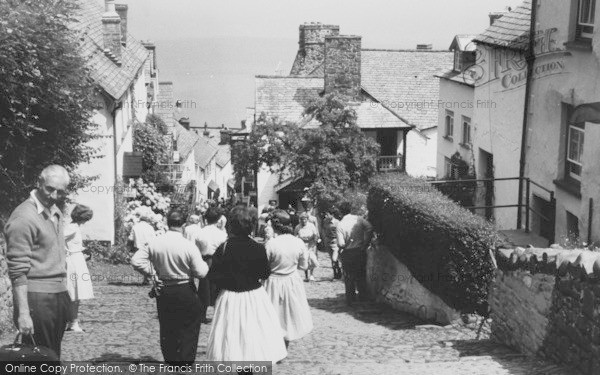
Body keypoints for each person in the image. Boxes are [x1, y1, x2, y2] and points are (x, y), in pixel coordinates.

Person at [206, 206, 287, 366]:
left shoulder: (224, 248)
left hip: (230, 296)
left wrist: (227, 282)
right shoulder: (257, 247)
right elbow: (264, 273)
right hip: (253, 296)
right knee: (253, 333)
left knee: (231, 334)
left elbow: (213, 274)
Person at [5, 165, 71, 358]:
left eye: (60, 191)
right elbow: (18, 271)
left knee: (51, 356)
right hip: (38, 299)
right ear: (39, 183)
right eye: (49, 188)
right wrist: (24, 314)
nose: (53, 195)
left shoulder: (54, 211)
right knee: (40, 359)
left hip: (58, 295)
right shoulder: (24, 217)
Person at [131, 210, 209, 365]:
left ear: (167, 222)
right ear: (184, 224)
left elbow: (136, 260)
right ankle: (185, 361)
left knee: (168, 325)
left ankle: (171, 360)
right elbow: (201, 272)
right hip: (185, 286)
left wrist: (153, 273)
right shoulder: (188, 245)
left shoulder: (155, 242)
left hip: (164, 288)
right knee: (189, 325)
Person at [264, 209, 313, 349]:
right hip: (292, 280)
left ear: (274, 226)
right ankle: (285, 342)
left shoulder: (271, 244)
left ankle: (276, 344)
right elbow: (304, 266)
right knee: (289, 312)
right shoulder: (298, 242)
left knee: (274, 312)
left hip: (273, 282)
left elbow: (264, 267)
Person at [191, 207, 227, 323]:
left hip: (204, 259)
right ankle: (219, 314)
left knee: (204, 287)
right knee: (218, 287)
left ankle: (202, 314)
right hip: (218, 261)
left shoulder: (200, 232)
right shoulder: (221, 234)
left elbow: (195, 248)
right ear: (218, 219)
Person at [64, 204, 95, 332]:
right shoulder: (71, 228)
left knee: (76, 294)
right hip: (73, 262)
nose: (86, 222)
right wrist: (66, 252)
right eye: (86, 219)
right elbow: (58, 240)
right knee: (73, 293)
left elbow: (73, 244)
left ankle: (72, 321)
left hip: (78, 259)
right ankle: (73, 323)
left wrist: (83, 249)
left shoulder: (75, 227)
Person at [336, 201, 373, 305]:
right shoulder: (359, 219)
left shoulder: (340, 224)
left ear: (340, 211)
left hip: (348, 253)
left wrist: (346, 243)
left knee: (349, 277)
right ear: (350, 209)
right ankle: (363, 298)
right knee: (361, 275)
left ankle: (351, 299)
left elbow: (341, 243)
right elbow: (370, 228)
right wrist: (365, 244)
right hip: (360, 251)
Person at [128, 211, 156, 285]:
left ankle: (150, 276)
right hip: (149, 247)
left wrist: (130, 248)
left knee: (138, 263)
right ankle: (148, 278)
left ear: (140, 220)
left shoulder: (135, 227)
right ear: (147, 220)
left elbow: (131, 239)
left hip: (138, 247)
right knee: (147, 263)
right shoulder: (150, 227)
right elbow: (154, 239)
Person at [294, 212, 320, 282]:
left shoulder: (311, 226)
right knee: (304, 259)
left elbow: (315, 235)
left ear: (307, 219)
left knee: (312, 259)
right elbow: (295, 236)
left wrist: (314, 240)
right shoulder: (298, 227)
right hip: (302, 245)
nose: (303, 221)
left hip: (311, 244)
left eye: (305, 219)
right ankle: (306, 276)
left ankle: (311, 274)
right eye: (302, 219)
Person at [322, 207, 342, 280]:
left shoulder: (337, 222)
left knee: (335, 258)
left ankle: (339, 271)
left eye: (328, 214)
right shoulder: (325, 221)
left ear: (332, 215)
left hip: (335, 241)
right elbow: (324, 230)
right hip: (328, 241)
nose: (326, 216)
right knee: (332, 259)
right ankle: (335, 273)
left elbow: (340, 233)